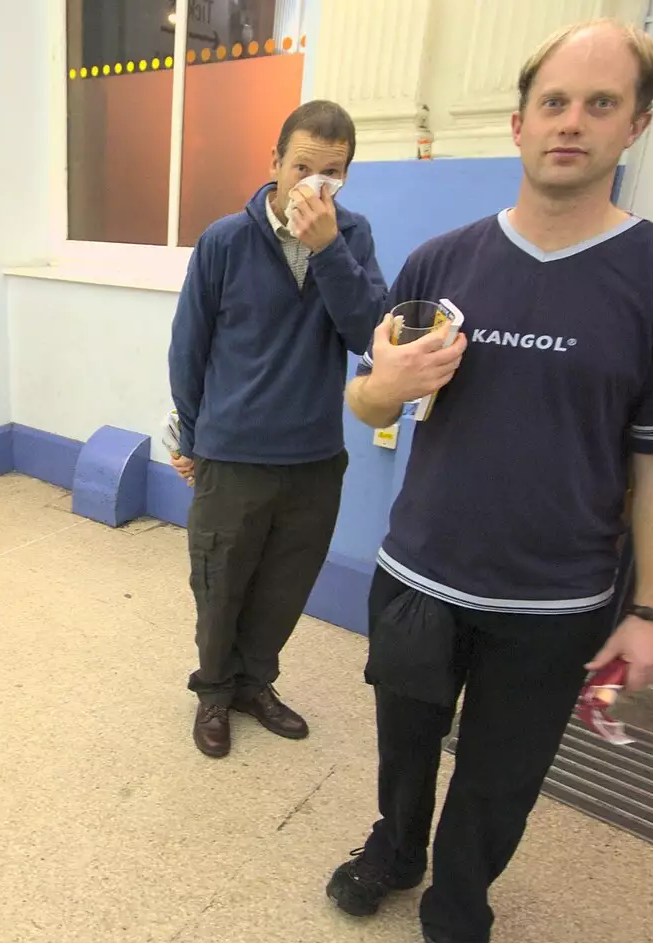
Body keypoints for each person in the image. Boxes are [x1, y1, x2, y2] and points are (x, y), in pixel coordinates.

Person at [326, 20, 653, 943]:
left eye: (600, 105)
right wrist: (386, 385)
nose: (571, 122)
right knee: (404, 743)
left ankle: (459, 926)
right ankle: (394, 849)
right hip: (420, 575)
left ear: (634, 127)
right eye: (554, 102)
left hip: (552, 604)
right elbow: (370, 409)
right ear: (516, 123)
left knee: (500, 782)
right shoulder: (440, 259)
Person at [168, 101, 387, 759]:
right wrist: (190, 437)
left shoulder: (353, 237)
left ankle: (254, 683)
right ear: (274, 163)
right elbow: (190, 347)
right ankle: (213, 689)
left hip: (314, 456)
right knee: (220, 581)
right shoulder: (224, 241)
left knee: (284, 584)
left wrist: (329, 251)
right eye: (302, 167)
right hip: (232, 453)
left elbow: (366, 332)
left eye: (332, 173)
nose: (314, 186)